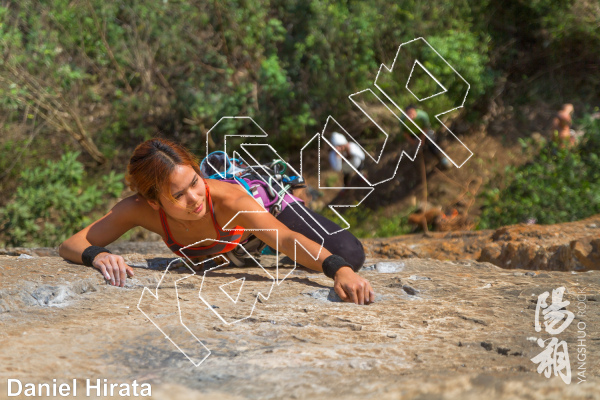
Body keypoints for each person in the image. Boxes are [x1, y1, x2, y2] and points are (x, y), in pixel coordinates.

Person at [59, 138, 374, 305]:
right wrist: (97, 255)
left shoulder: (230, 202)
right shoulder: (138, 209)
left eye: (195, 182)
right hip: (237, 250)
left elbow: (288, 239)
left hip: (267, 207)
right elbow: (72, 244)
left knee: (348, 253)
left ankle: (275, 181)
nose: (195, 198)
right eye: (178, 195)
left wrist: (340, 270)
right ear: (154, 201)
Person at [400, 105, 450, 169]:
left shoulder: (422, 116)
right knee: (417, 149)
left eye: (412, 113)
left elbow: (425, 128)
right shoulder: (402, 120)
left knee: (431, 143)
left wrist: (422, 140)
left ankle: (442, 159)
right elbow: (405, 133)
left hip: (423, 132)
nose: (411, 117)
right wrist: (412, 142)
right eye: (408, 114)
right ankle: (423, 163)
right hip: (413, 134)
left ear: (415, 112)